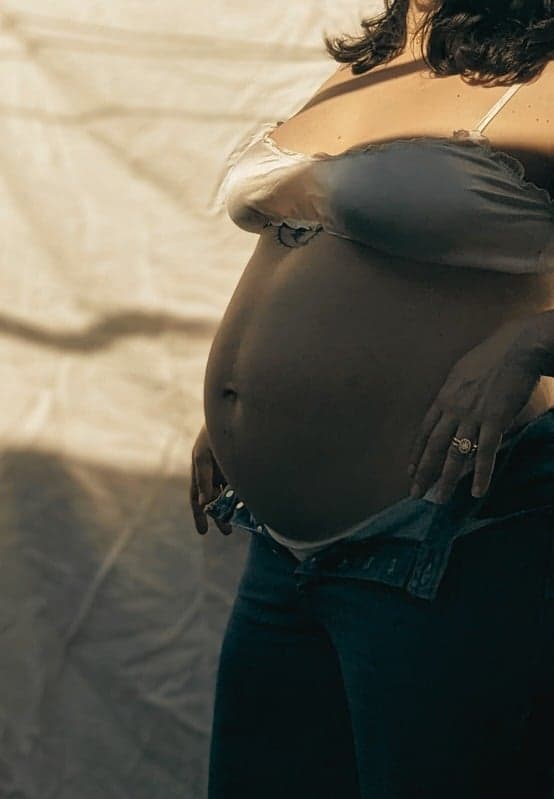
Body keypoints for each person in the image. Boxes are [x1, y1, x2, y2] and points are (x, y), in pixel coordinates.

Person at [191, 1, 554, 796]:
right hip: (279, 551)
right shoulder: (374, 62)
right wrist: (242, 401)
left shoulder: (544, 74)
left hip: (440, 540)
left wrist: (532, 341)